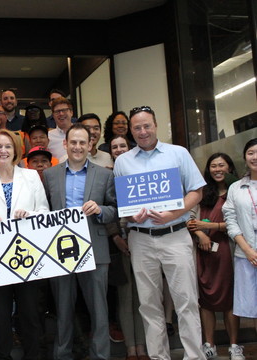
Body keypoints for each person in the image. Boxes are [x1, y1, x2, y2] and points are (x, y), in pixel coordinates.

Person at [113, 106, 206, 360]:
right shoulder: (123, 161)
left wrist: (174, 213)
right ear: (130, 130)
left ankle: (194, 356)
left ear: (156, 125)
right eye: (137, 127)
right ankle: (158, 357)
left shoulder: (179, 153)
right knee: (149, 304)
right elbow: (124, 204)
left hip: (175, 234)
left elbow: (196, 192)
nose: (142, 132)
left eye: (147, 126)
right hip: (140, 239)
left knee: (186, 300)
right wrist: (132, 216)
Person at [0, 129, 49, 360]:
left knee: (29, 313)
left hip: (27, 254)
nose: (3, 150)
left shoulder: (31, 177)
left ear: (15, 150)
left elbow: (44, 211)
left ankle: (33, 356)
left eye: (7, 146)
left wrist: (31, 214)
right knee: (1, 315)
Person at [43, 123, 117, 360]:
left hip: (95, 249)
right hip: (59, 250)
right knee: (63, 310)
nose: (77, 147)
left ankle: (101, 356)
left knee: (99, 311)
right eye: (73, 142)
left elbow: (116, 210)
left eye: (82, 142)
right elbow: (43, 211)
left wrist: (100, 210)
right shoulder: (49, 175)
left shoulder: (105, 174)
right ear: (65, 144)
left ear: (90, 145)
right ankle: (62, 355)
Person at [187, 153, 242, 360]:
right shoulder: (202, 192)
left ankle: (234, 346)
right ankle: (209, 344)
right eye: (213, 166)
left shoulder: (237, 191)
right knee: (206, 300)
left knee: (229, 300)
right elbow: (189, 218)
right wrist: (200, 233)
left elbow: (242, 222)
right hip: (204, 253)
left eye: (222, 165)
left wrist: (209, 226)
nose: (217, 169)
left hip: (229, 251)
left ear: (229, 168)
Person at [108, 135, 149, 360]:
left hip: (142, 240)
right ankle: (131, 349)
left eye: (123, 145)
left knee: (143, 297)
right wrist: (116, 237)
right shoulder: (106, 175)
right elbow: (107, 209)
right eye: (114, 147)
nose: (119, 149)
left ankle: (143, 347)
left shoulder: (139, 172)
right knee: (125, 298)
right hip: (119, 244)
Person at [223, 138, 257, 358]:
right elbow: (231, 220)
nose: (255, 157)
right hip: (246, 255)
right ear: (245, 157)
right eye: (251, 152)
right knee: (254, 309)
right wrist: (248, 250)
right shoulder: (236, 187)